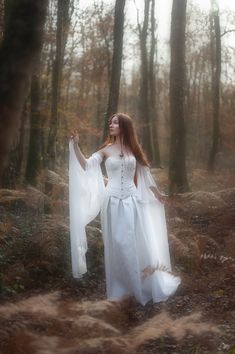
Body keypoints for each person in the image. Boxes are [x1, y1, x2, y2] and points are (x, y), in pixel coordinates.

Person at [69, 113, 180, 306]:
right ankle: (121, 290)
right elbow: (87, 165)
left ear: (124, 127)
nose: (110, 125)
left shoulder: (133, 150)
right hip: (111, 203)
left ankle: (143, 286)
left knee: (136, 244)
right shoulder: (106, 150)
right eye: (110, 122)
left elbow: (145, 174)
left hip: (132, 201)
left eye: (115, 122)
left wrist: (158, 194)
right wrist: (75, 145)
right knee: (118, 247)